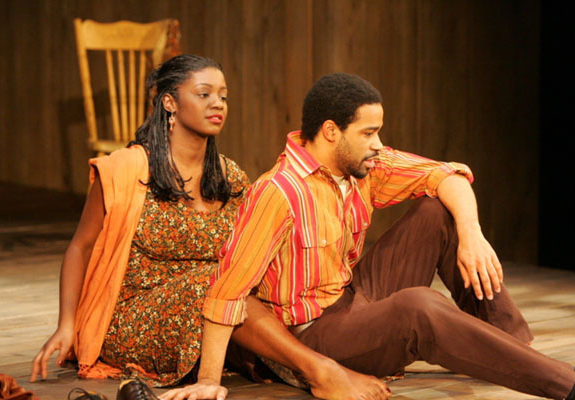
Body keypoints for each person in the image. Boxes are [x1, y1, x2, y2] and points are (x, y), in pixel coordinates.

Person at [161, 73, 575, 400]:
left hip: (354, 297)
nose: (377, 144)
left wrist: (472, 234)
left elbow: (446, 175)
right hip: (315, 334)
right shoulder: (279, 192)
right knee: (419, 306)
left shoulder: (361, 166)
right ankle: (565, 383)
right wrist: (209, 380)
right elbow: (227, 292)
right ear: (331, 132)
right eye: (368, 132)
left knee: (439, 211)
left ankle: (513, 349)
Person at [29, 54, 249, 387]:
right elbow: (80, 247)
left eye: (223, 96)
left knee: (241, 285)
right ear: (170, 102)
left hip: (213, 313)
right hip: (135, 320)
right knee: (215, 282)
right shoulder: (126, 169)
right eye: (204, 94)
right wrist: (66, 324)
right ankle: (316, 370)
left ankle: (312, 368)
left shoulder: (230, 176)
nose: (217, 103)